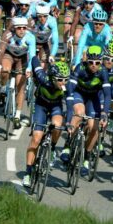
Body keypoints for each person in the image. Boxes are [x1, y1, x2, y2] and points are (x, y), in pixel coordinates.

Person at [61, 45, 112, 177]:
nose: (94, 65)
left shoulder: (103, 72)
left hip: (93, 98)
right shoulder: (80, 68)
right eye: (91, 62)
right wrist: (69, 103)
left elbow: (107, 95)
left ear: (101, 62)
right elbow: (70, 88)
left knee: (94, 127)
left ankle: (87, 158)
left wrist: (105, 113)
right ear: (86, 61)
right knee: (79, 113)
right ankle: (67, 146)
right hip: (79, 94)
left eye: (97, 63)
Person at [22, 59, 69, 189]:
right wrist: (31, 69)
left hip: (56, 107)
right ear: (52, 78)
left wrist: (70, 120)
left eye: (66, 79)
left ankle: (52, 148)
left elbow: (69, 104)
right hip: (40, 106)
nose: (63, 82)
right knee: (36, 138)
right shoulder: (43, 78)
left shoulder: (66, 86)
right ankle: (28, 173)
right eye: (60, 79)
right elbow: (34, 60)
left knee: (58, 125)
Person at [0, 17, 36, 125]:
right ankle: (3, 89)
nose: (22, 30)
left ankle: (17, 115)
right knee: (5, 71)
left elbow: (32, 55)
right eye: (19, 28)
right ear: (14, 28)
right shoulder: (8, 34)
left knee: (20, 86)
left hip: (22, 59)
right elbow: (0, 51)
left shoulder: (30, 37)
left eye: (24, 28)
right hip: (9, 56)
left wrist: (29, 68)